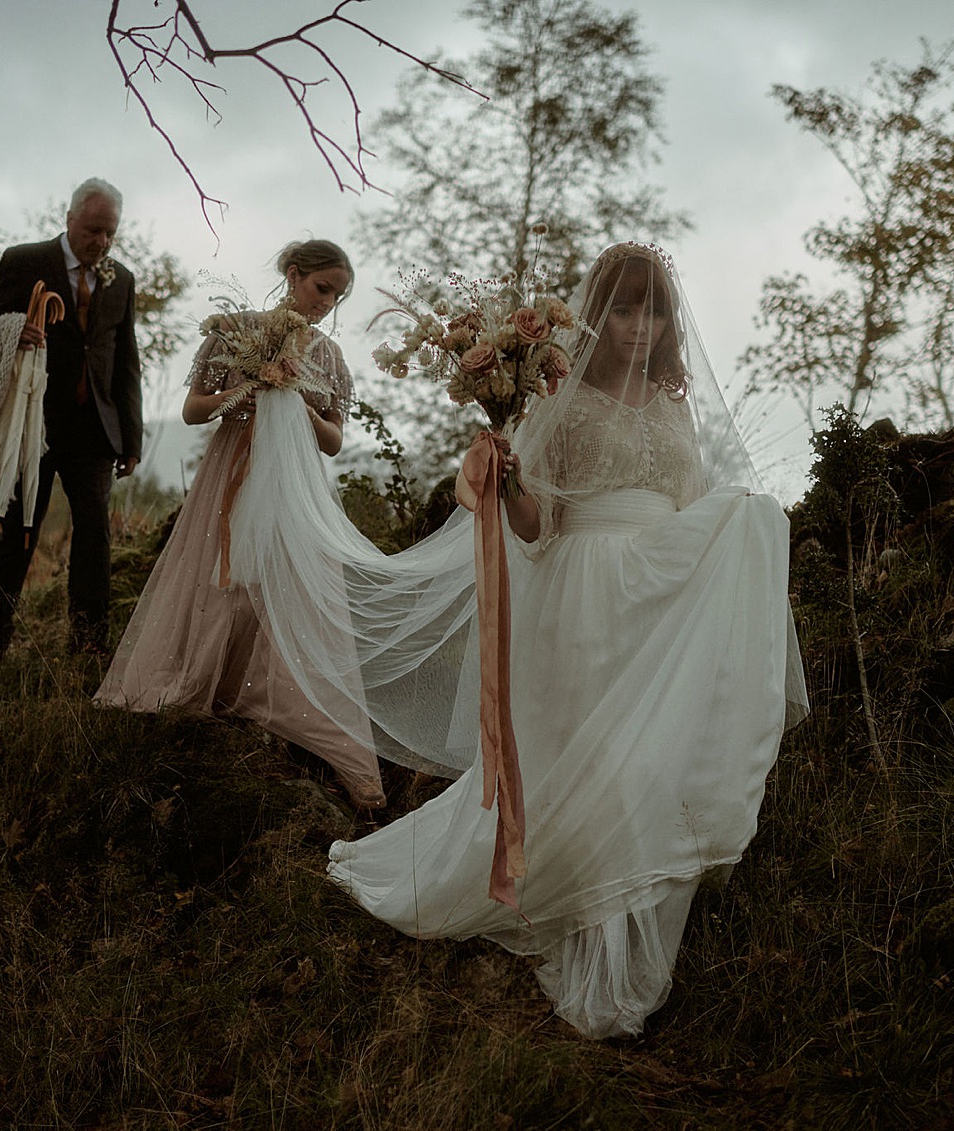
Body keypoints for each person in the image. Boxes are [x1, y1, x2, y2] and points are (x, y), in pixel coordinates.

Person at [325, 243, 810, 1038]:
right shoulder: (564, 399)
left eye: (653, 310)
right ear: (596, 313)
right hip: (584, 587)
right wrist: (508, 476)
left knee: (646, 754)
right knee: (585, 753)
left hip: (655, 588)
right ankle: (582, 915)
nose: (639, 326)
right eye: (623, 308)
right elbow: (535, 523)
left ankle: (626, 911)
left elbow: (686, 503)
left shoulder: (670, 404)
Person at [93, 239, 388, 810]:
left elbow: (332, 442)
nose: (327, 303)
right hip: (234, 467)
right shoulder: (236, 330)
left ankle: (278, 701)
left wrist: (295, 400)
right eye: (322, 288)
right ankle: (209, 681)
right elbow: (194, 410)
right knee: (220, 577)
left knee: (289, 582)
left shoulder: (327, 356)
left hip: (295, 481)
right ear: (294, 275)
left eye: (338, 295)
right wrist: (250, 388)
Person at [0, 177, 142, 658]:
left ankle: (89, 647)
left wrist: (131, 439)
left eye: (110, 233)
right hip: (32, 424)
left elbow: (125, 358)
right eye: (93, 231)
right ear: (69, 220)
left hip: (95, 431)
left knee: (95, 538)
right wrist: (12, 332)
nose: (102, 242)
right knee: (18, 533)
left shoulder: (122, 278)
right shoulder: (24, 261)